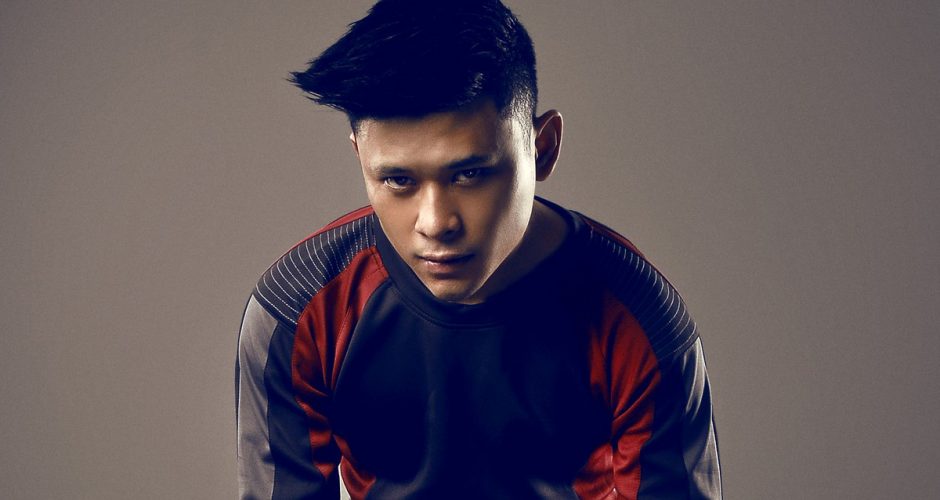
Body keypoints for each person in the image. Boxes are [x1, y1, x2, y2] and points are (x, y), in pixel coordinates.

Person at [235, 0, 722, 498]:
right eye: (398, 180)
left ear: (543, 148)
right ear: (360, 156)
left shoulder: (639, 318)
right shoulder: (298, 310)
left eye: (469, 174)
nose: (436, 223)